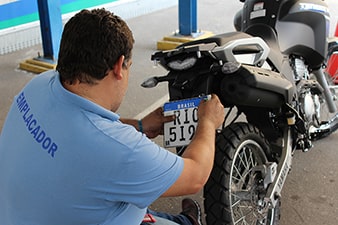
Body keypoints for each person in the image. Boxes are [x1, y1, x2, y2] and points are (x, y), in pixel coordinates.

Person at [0, 8, 225, 225]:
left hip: (23, 213)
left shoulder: (40, 84)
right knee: (134, 194)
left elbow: (84, 132)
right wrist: (207, 120)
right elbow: (195, 175)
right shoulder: (121, 151)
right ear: (119, 66)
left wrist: (139, 125)